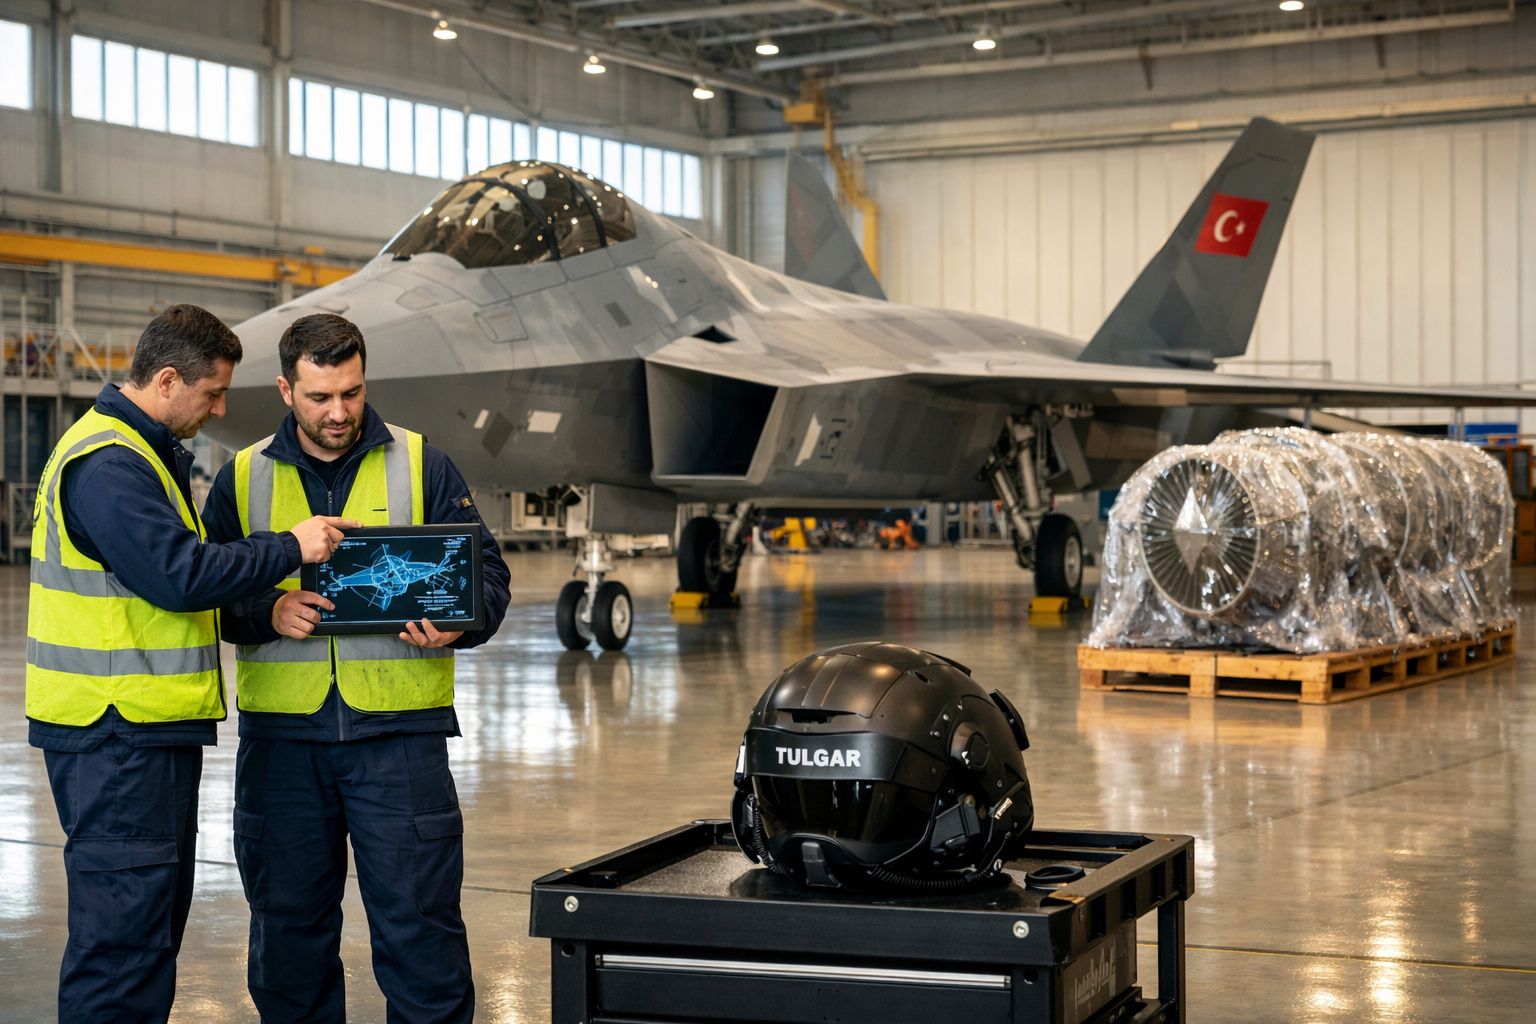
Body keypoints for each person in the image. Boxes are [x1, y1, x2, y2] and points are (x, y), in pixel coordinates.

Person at [26, 304, 358, 1023]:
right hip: (115, 735)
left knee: (144, 936)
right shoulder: (110, 463)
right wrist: (287, 549)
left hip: (139, 734)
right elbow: (179, 574)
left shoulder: (136, 453)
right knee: (121, 947)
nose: (218, 408)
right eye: (210, 394)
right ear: (168, 379)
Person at [202, 312, 510, 1023]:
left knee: (421, 934)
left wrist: (459, 622)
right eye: (319, 397)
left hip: (400, 743)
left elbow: (488, 577)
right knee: (287, 939)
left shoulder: (421, 461)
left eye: (352, 392)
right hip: (283, 746)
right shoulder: (242, 477)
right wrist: (264, 612)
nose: (338, 412)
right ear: (286, 390)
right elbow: (200, 596)